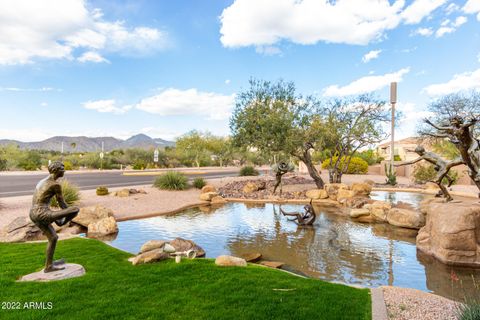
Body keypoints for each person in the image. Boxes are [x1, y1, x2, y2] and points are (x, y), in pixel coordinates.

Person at [29, 161, 79, 272]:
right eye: (62, 168)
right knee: (75, 209)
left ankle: (48, 266)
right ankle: (61, 222)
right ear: (56, 170)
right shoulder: (56, 184)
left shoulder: (42, 181)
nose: (64, 170)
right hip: (42, 213)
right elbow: (62, 204)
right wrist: (70, 214)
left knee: (53, 238)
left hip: (33, 213)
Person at [396, 146, 464, 201]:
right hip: (442, 164)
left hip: (443, 167)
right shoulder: (430, 153)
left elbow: (411, 162)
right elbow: (436, 158)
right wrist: (411, 150)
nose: (417, 154)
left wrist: (399, 164)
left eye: (417, 153)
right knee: (436, 168)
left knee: (438, 182)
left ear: (420, 152)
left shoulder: (424, 156)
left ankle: (449, 197)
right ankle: (449, 179)